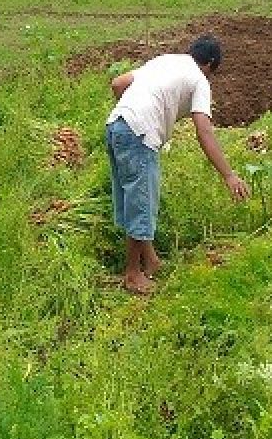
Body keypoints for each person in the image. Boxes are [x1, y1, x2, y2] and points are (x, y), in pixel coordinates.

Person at [105, 34, 250, 295]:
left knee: (133, 198)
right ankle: (132, 275)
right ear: (211, 64)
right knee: (142, 202)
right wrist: (229, 175)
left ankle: (150, 261)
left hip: (116, 125)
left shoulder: (166, 61)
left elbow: (118, 84)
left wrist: (134, 113)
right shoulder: (199, 79)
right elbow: (204, 131)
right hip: (139, 133)